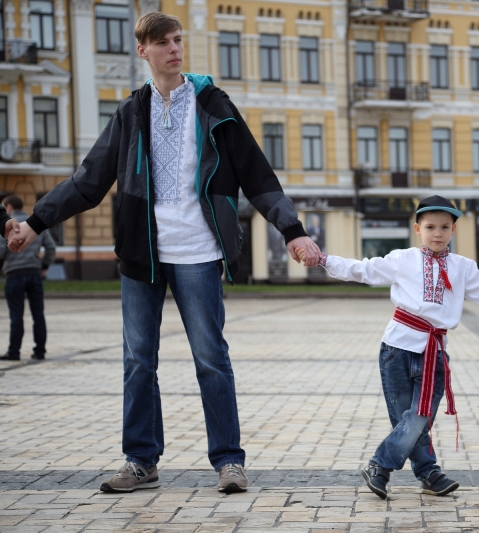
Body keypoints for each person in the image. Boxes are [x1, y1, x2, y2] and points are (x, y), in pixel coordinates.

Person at [8, 12, 320, 493]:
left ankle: (228, 461)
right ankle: (140, 461)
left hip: (198, 252)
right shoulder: (132, 111)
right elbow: (89, 180)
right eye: (163, 42)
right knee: (138, 360)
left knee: (211, 357)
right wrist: (34, 222)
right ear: (144, 52)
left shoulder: (214, 105)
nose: (174, 49)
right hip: (141, 254)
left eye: (177, 40)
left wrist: (292, 230)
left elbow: (257, 174)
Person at [298, 195, 479, 499]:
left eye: (445, 227)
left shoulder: (463, 268)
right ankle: (429, 473)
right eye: (430, 226)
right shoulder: (403, 259)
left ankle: (380, 466)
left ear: (454, 230)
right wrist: (324, 260)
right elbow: (362, 270)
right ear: (418, 228)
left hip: (435, 353)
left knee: (418, 417)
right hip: (396, 349)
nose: (438, 233)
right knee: (407, 418)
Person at [0, 195, 55, 361]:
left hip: (14, 274)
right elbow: (51, 247)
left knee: (16, 315)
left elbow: (1, 251)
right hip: (34, 273)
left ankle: (14, 351)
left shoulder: (8, 226)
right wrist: (44, 266)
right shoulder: (34, 223)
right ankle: (40, 350)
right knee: (38, 313)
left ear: (8, 207)